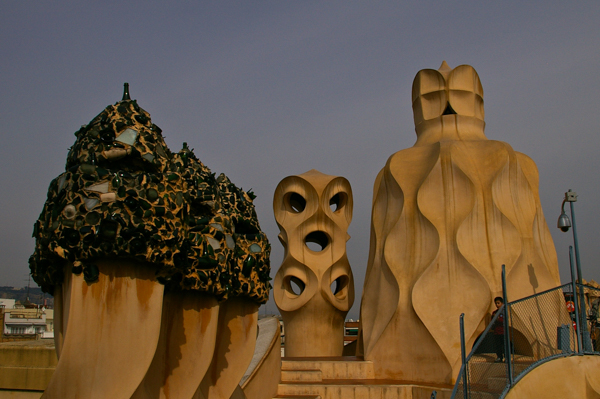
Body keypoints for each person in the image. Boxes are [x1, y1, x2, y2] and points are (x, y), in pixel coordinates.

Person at [491, 297, 505, 362]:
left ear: (502, 303)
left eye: (498, 303)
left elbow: (502, 320)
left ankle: (506, 357)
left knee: (504, 345)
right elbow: (492, 321)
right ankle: (499, 357)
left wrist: (497, 318)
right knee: (498, 346)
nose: (497, 305)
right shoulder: (494, 312)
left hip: (503, 331)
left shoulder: (503, 312)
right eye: (496, 303)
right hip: (496, 331)